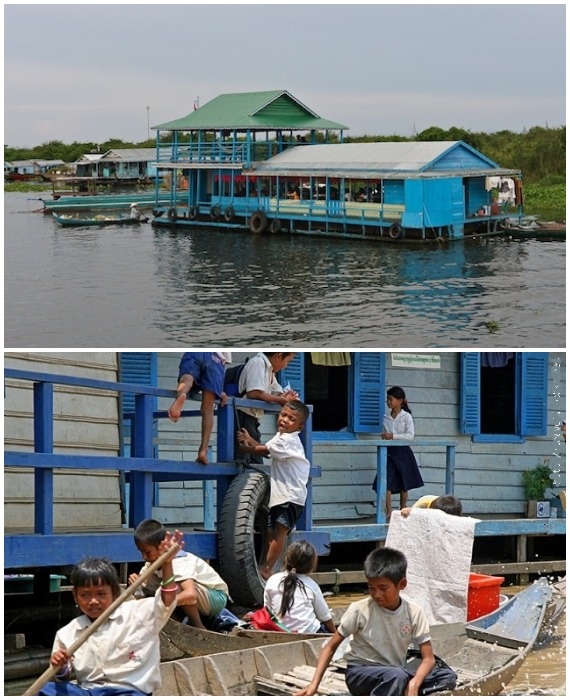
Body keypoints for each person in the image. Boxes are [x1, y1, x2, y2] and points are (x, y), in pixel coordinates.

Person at [294, 547, 457, 697]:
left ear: (402, 584)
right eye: (371, 588)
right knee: (398, 677)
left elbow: (428, 659)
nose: (377, 594)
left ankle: (400, 689)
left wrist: (414, 683)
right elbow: (330, 646)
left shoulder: (414, 612)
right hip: (361, 673)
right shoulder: (359, 610)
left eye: (383, 588)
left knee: (447, 677)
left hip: (394, 673)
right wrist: (314, 685)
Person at [38, 530, 183, 696]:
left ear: (114, 593)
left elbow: (167, 601)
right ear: (75, 596)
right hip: (89, 693)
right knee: (46, 691)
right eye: (85, 595)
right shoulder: (67, 634)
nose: (93, 601)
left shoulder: (139, 614)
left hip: (129, 693)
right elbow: (62, 677)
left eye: (101, 594)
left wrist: (167, 564)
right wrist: (61, 665)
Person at [237, 399, 310, 579]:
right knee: (270, 531)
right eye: (283, 415)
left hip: (291, 496)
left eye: (291, 419)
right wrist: (250, 440)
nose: (284, 420)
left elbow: (263, 451)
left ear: (299, 427)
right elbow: (268, 449)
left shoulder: (288, 441)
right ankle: (269, 567)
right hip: (282, 495)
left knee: (279, 533)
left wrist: (244, 447)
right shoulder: (281, 436)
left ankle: (267, 568)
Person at [128, 518, 229, 630]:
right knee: (155, 587)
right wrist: (136, 583)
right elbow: (142, 590)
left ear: (161, 545)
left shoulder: (179, 560)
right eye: (141, 552)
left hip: (215, 597)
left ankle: (198, 627)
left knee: (173, 589)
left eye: (147, 552)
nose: (144, 557)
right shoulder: (150, 564)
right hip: (194, 597)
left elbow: (190, 596)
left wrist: (159, 604)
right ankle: (173, 626)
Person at [234, 351, 298, 468]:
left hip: (253, 419)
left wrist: (286, 397)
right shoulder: (258, 363)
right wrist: (280, 400)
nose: (286, 366)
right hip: (243, 417)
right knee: (248, 463)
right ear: (279, 356)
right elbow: (254, 393)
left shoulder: (270, 372)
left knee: (254, 463)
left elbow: (277, 394)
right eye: (287, 361)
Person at [167, 351, 231, 464]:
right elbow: (225, 360)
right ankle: (203, 451)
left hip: (193, 353)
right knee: (208, 409)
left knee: (186, 380)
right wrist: (219, 389)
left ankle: (182, 394)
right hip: (215, 359)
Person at [264, 540, 336, 634]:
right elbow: (325, 617)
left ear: (287, 560)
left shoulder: (272, 580)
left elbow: (267, 611)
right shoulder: (312, 585)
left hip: (280, 630)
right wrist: (335, 634)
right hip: (308, 631)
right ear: (311, 565)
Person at [376, 386, 424, 520]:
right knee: (386, 481)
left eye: (391, 399)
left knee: (404, 483)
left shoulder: (406, 416)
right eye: (388, 399)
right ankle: (389, 511)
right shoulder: (386, 417)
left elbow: (410, 436)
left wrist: (393, 436)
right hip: (390, 451)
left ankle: (403, 509)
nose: (389, 402)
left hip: (403, 451)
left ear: (400, 400)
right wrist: (386, 437)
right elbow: (386, 434)